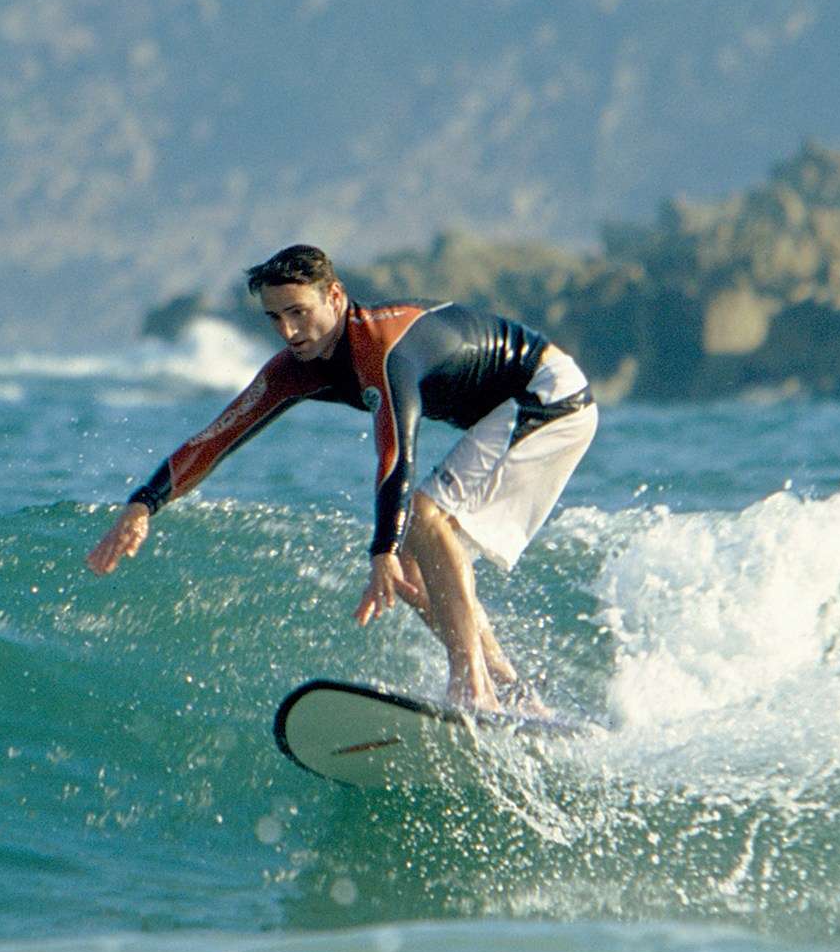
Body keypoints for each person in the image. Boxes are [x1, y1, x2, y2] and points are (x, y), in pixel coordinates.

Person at [86, 244, 598, 710]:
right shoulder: (295, 368)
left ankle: (474, 685)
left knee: (422, 517)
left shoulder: (382, 346)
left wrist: (382, 550)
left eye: (299, 313)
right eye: (275, 318)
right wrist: (144, 502)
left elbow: (396, 451)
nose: (288, 331)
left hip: (547, 396)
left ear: (335, 296)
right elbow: (218, 436)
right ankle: (507, 685)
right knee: (417, 565)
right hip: (504, 410)